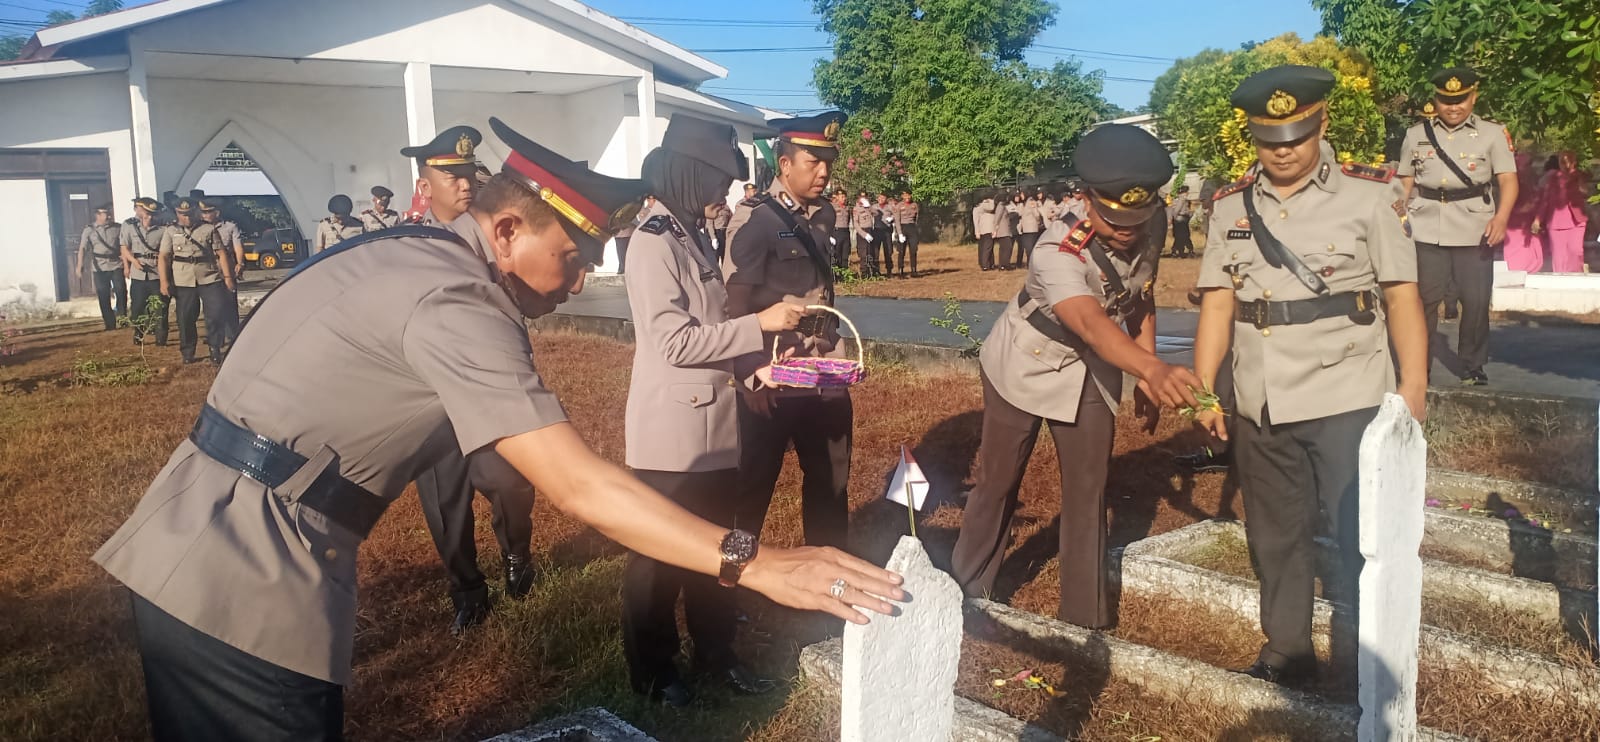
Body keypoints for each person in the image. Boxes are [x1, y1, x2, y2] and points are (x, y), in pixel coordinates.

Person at [94, 117, 903, 742]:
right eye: (573, 256)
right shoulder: (459, 300)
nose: (579, 282)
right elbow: (578, 485)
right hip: (247, 573)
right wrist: (761, 564)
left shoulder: (411, 252)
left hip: (200, 536)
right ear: (509, 230)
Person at [1193, 66, 1428, 685]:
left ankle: (1371, 657)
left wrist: (1414, 388)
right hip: (1262, 398)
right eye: (1269, 140)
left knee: (1359, 532)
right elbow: (1217, 303)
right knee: (1275, 534)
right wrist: (1203, 391)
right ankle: (1287, 651)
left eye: (1296, 136)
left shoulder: (1370, 196)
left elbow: (1402, 296)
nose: (1284, 151)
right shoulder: (1230, 206)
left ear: (1321, 124)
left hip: (1346, 392)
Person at [950, 124, 1203, 627]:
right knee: (999, 481)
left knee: (1089, 489)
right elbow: (1088, 322)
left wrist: (1145, 374)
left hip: (1092, 368)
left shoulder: (1150, 223)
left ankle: (1084, 619)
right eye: (1114, 219)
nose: (1127, 230)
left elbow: (1141, 295)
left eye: (1137, 217)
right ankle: (965, 593)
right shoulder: (1056, 249)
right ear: (1087, 199)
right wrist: (1152, 368)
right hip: (1025, 362)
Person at [621, 114, 807, 707]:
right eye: (718, 179)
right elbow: (673, 343)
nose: (724, 191)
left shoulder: (691, 233)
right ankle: (654, 673)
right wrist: (761, 324)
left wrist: (752, 370)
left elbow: (710, 327)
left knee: (723, 550)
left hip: (714, 428)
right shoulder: (653, 241)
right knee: (658, 560)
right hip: (673, 438)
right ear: (688, 172)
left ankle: (718, 652)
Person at [398, 126, 539, 635]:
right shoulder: (406, 242)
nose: (464, 184)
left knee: (509, 479)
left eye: (468, 174)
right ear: (425, 184)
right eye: (451, 176)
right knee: (444, 499)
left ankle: (517, 556)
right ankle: (468, 592)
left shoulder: (494, 233)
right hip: (432, 390)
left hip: (487, 383)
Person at [724, 112, 854, 552]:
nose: (824, 172)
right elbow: (734, 303)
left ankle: (829, 570)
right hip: (774, 375)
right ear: (784, 164)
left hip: (825, 368)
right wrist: (749, 374)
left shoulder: (825, 214)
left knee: (832, 482)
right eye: (813, 162)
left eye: (828, 163)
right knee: (752, 488)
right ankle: (734, 576)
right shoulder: (755, 220)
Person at [1396, 67, 1517, 386]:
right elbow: (1405, 181)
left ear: (1473, 97)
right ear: (1436, 99)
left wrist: (1501, 218)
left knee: (1475, 302)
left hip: (1475, 228)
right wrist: (1397, 218)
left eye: (1461, 100)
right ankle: (1418, 366)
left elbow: (1508, 179)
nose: (1453, 107)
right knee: (1423, 302)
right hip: (1426, 226)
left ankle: (1472, 365)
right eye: (1446, 100)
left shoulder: (1492, 133)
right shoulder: (1416, 134)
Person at [158, 199, 236, 365]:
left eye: (189, 214)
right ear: (177, 213)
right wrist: (164, 281)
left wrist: (228, 278)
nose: (186, 218)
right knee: (185, 317)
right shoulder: (171, 231)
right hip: (183, 279)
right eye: (182, 214)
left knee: (215, 313)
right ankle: (188, 352)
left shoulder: (208, 229)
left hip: (208, 276)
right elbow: (163, 256)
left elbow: (221, 253)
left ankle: (215, 348)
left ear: (196, 212)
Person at [405, 125, 481, 228]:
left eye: (470, 176)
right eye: (454, 178)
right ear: (425, 187)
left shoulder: (493, 231)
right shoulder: (413, 236)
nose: (466, 186)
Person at [121, 197, 170, 346]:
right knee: (137, 307)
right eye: (147, 214)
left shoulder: (163, 229)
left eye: (152, 214)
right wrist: (132, 262)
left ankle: (161, 338)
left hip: (157, 273)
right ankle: (138, 334)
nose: (149, 217)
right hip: (139, 274)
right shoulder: (130, 227)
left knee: (160, 308)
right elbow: (124, 247)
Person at [197, 199, 246, 348]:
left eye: (208, 212)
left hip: (227, 268)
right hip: (208, 270)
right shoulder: (199, 228)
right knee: (212, 306)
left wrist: (240, 263)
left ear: (216, 212)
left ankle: (233, 335)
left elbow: (238, 247)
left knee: (229, 302)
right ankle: (214, 336)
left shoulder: (230, 227)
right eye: (203, 212)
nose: (204, 215)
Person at [1534, 150, 1591, 273]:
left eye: (1569, 161)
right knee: (1558, 255)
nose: (1566, 165)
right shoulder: (1552, 178)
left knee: (1576, 251)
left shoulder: (1580, 176)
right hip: (1556, 223)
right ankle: (1560, 279)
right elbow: (1545, 200)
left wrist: (1578, 181)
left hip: (1576, 221)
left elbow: (1586, 192)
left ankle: (1577, 276)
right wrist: (1538, 219)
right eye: (1563, 162)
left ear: (1574, 162)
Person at [76, 203, 127, 331]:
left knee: (121, 290)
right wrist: (80, 265)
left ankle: (122, 318)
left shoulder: (118, 228)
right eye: (105, 214)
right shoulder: (89, 230)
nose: (109, 216)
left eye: (109, 213)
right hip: (99, 267)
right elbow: (82, 248)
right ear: (97, 215)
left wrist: (126, 264)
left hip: (116, 264)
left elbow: (124, 246)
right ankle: (109, 323)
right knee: (103, 294)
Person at [1501, 152, 1544, 272]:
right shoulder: (1512, 183)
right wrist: (1530, 206)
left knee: (1531, 257)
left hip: (1528, 225)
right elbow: (1507, 204)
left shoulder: (1531, 182)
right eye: (1527, 165)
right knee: (1518, 260)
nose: (1530, 168)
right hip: (1515, 226)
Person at [852, 191, 879, 277]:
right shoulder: (856, 208)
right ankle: (864, 273)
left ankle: (871, 271)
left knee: (871, 252)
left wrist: (869, 207)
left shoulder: (868, 207)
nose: (863, 198)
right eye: (861, 197)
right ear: (858, 198)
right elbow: (856, 224)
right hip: (862, 231)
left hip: (870, 230)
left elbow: (876, 213)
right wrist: (864, 234)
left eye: (865, 197)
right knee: (863, 253)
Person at [895, 190, 920, 277]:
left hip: (912, 227)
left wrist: (915, 229)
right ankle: (901, 271)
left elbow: (917, 218)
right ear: (902, 196)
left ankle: (914, 270)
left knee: (913, 250)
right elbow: (897, 220)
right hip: (903, 227)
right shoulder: (899, 206)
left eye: (908, 195)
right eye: (905, 195)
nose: (907, 197)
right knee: (901, 251)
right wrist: (899, 233)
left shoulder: (915, 205)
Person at [1017, 189, 1042, 268]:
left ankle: (1031, 263)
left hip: (1031, 229)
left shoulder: (1031, 202)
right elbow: (1020, 214)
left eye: (1022, 194)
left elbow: (1036, 214)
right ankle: (1030, 263)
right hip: (1025, 229)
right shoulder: (1023, 203)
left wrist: (1037, 222)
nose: (1021, 196)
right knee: (1028, 248)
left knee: (1030, 248)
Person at [1169, 186, 1195, 257]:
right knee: (1184, 235)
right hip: (1181, 218)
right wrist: (1175, 217)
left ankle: (1177, 250)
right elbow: (1177, 209)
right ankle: (1185, 250)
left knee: (1179, 236)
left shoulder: (1177, 199)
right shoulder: (1182, 199)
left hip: (1179, 218)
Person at [973, 192, 997, 270]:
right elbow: (991, 207)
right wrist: (991, 200)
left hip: (983, 230)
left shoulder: (978, 207)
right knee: (988, 248)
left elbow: (976, 221)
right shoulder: (985, 205)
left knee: (987, 248)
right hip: (988, 229)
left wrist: (977, 231)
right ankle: (985, 265)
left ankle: (989, 264)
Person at [994, 190, 1017, 269]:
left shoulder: (1003, 205)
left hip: (1005, 230)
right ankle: (1005, 264)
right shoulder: (1001, 205)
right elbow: (997, 217)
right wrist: (995, 228)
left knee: (1003, 248)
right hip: (1003, 230)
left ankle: (1002, 265)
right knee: (1007, 247)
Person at [873, 193, 895, 275]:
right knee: (876, 251)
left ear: (886, 199)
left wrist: (892, 218)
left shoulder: (889, 207)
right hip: (877, 230)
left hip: (887, 231)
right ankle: (876, 270)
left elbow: (896, 214)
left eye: (883, 198)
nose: (881, 199)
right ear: (877, 198)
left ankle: (889, 270)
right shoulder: (874, 207)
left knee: (888, 251)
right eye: (880, 198)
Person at [831, 191, 852, 270]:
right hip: (837, 232)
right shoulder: (833, 207)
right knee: (837, 253)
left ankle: (845, 271)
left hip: (845, 231)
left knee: (845, 253)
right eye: (842, 197)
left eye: (844, 197)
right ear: (837, 197)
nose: (844, 198)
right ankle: (837, 273)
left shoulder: (847, 208)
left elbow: (848, 220)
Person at [708, 198, 733, 263]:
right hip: (717, 233)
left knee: (724, 255)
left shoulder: (726, 207)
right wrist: (713, 238)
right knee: (715, 256)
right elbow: (710, 224)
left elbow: (731, 220)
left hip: (725, 233)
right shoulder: (712, 209)